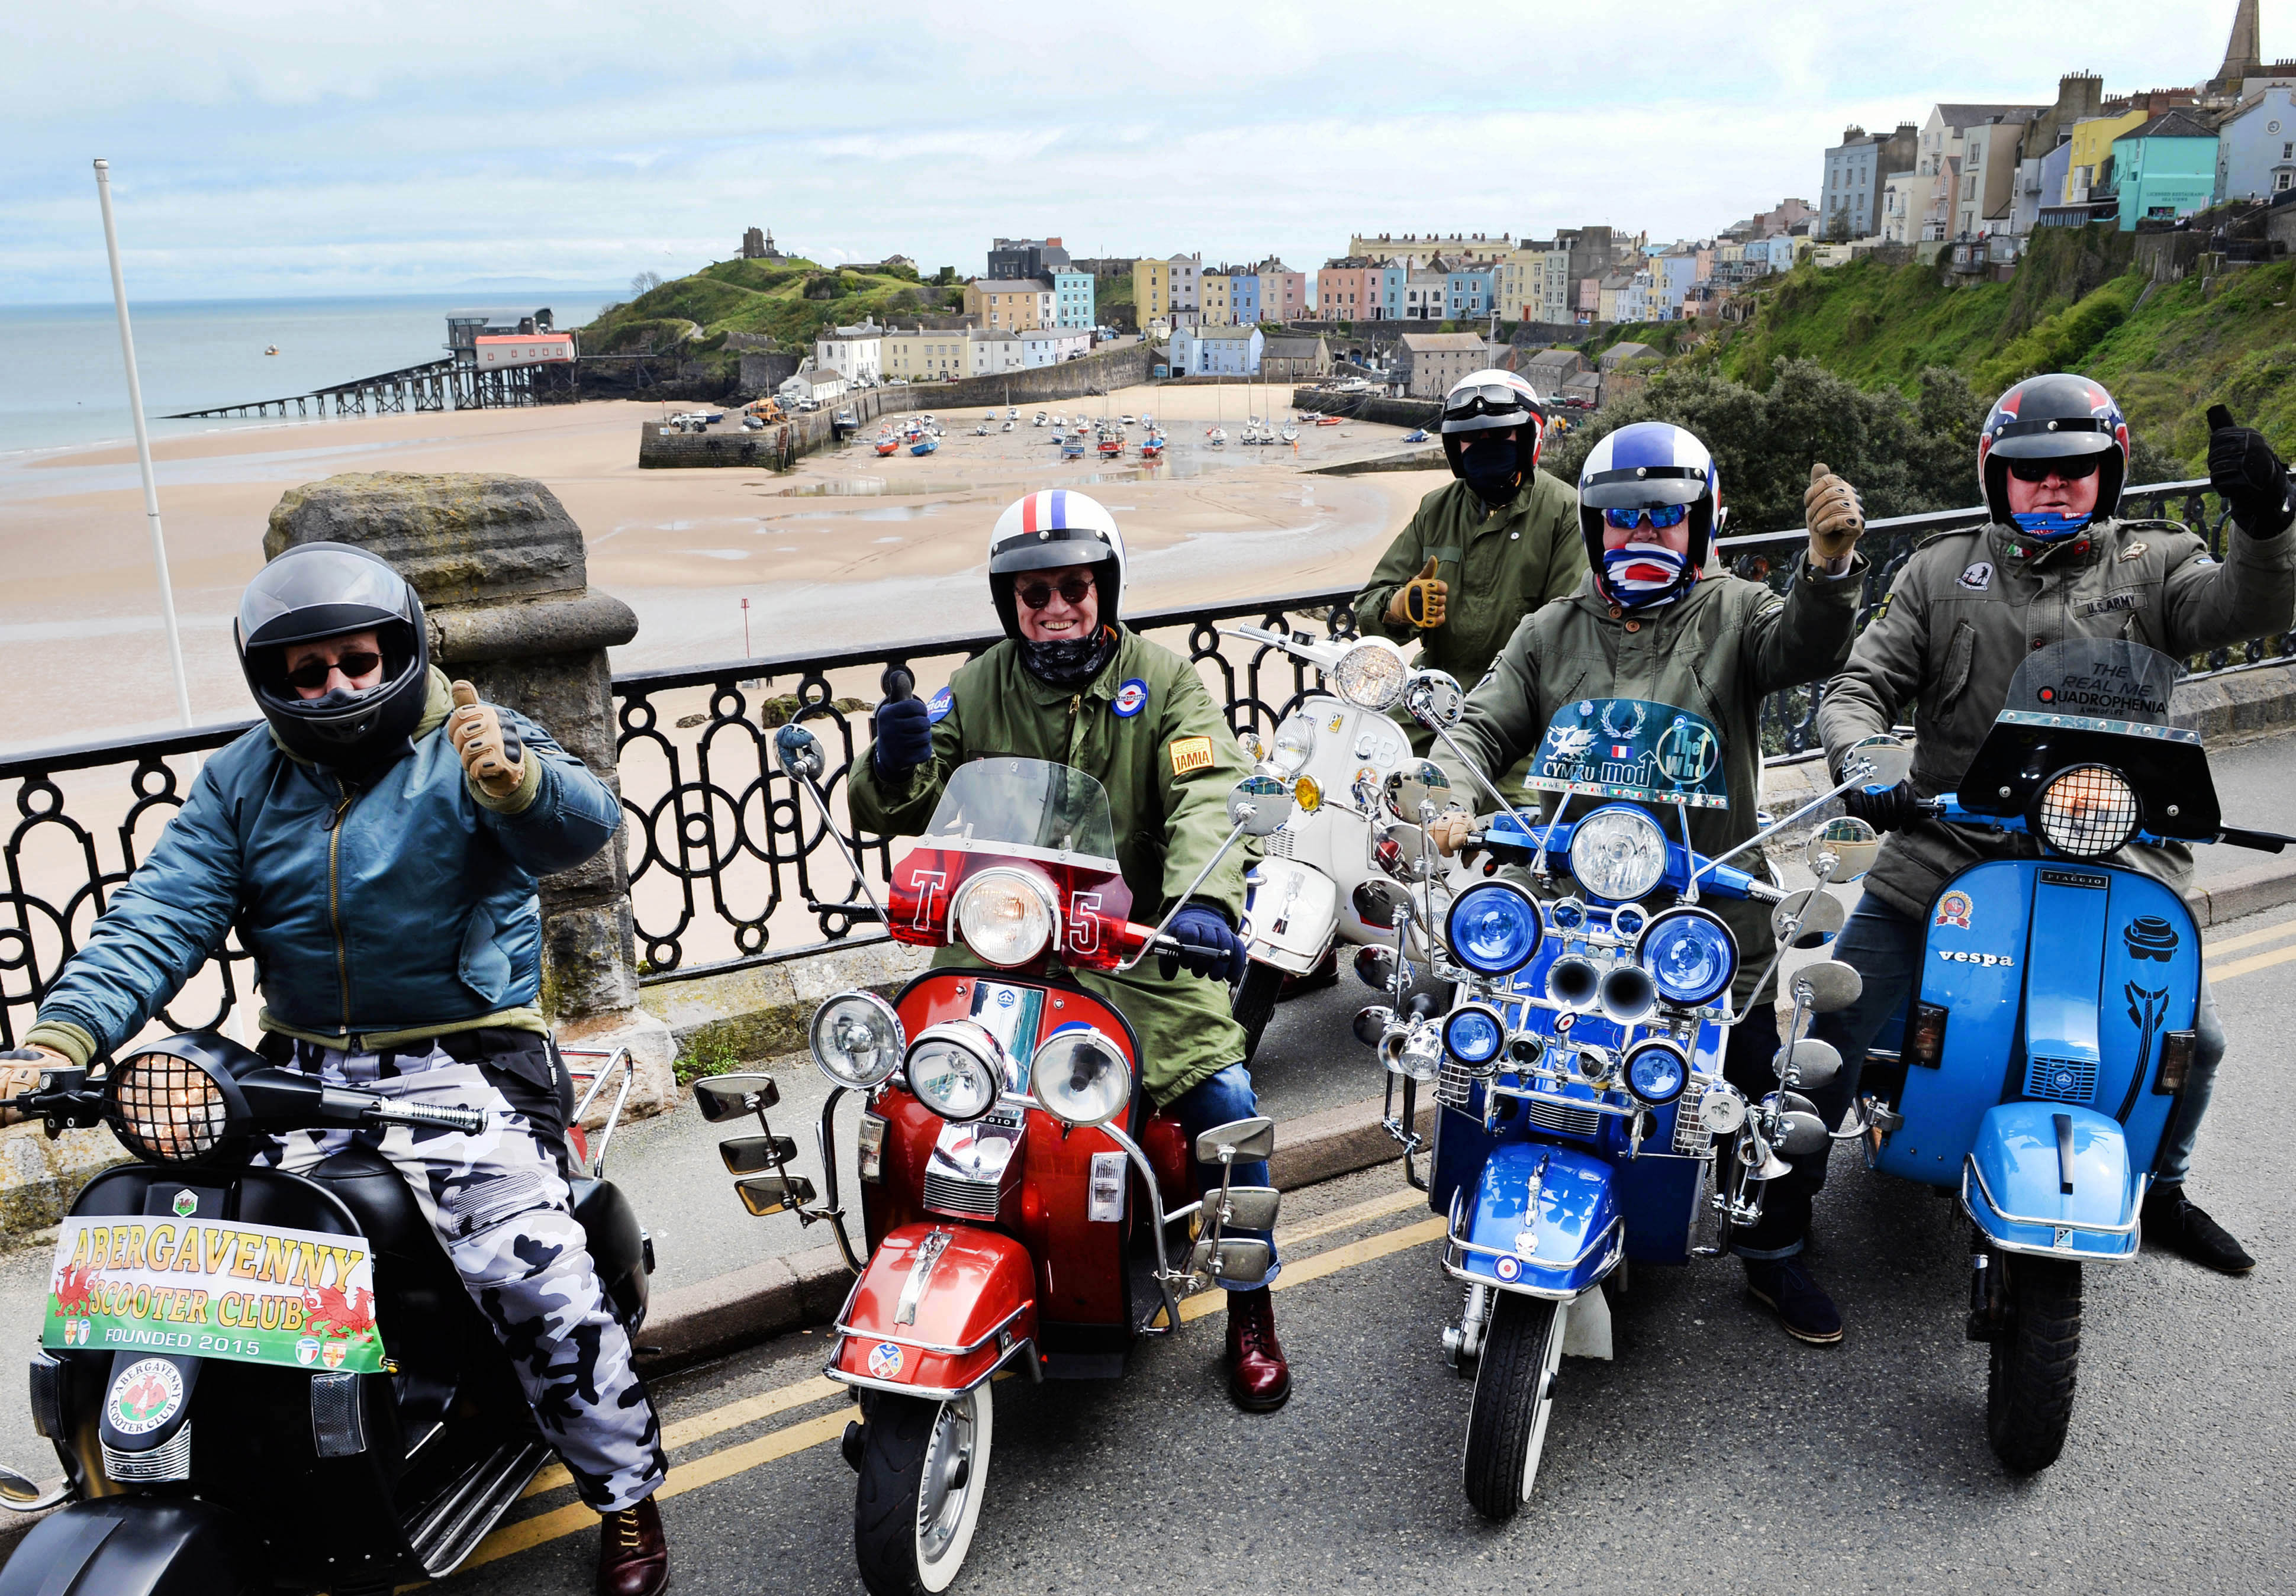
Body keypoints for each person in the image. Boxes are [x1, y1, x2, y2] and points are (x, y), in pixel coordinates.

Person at [0, 541, 671, 1596]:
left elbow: (581, 828)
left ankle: (626, 1495)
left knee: (531, 1276)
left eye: (359, 661)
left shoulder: (472, 733)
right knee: (207, 1262)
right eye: (306, 673)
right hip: (302, 1073)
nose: (339, 687)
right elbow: (163, 911)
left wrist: (515, 781)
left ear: (400, 648)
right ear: (270, 679)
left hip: (467, 1066)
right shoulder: (243, 776)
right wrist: (59, 1037)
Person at [1814, 375, 2296, 1278]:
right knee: (1838, 1010)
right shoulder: (1934, 571)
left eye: (2075, 469)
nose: (2051, 486)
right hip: (1946, 843)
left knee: (2196, 1042)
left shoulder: (2157, 562)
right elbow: (1856, 688)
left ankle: (2161, 1190)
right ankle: (1779, 1208)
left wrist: (2265, 524)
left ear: (2107, 474)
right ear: (1996, 477)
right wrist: (1855, 762)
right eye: (2028, 471)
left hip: (2116, 850)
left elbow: (2249, 607)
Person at [1425, 422, 1872, 1343]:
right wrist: (1443, 790)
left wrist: (1826, 568)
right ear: (1592, 529)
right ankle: (1503, 1199)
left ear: (1701, 523)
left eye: (1665, 519)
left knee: (1765, 1095)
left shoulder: (1737, 612)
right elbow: (1477, 726)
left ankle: (1772, 1256)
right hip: (1563, 905)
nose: (1641, 536)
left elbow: (1805, 647)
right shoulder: (1549, 629)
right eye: (1620, 519)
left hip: (1704, 917)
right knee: (1481, 1049)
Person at [846, 489, 1291, 1411]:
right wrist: (889, 762)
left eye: (1073, 588)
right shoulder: (978, 683)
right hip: (1005, 947)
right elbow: (905, 799)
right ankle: (905, 1293)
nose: (1054, 608)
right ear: (1007, 602)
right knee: (901, 1092)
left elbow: (1207, 788)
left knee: (1225, 1099)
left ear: (1106, 587)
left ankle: (1251, 1307)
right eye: (1033, 592)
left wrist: (1203, 902)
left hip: (1139, 955)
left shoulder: (1166, 683)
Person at [1352, 369, 1586, 755]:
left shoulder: (1562, 511)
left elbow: (1569, 634)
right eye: (1471, 438)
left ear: (1528, 437)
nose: (1483, 445)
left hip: (1522, 720)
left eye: (1497, 435)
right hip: (1431, 704)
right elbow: (1369, 606)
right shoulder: (1436, 509)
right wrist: (1399, 608)